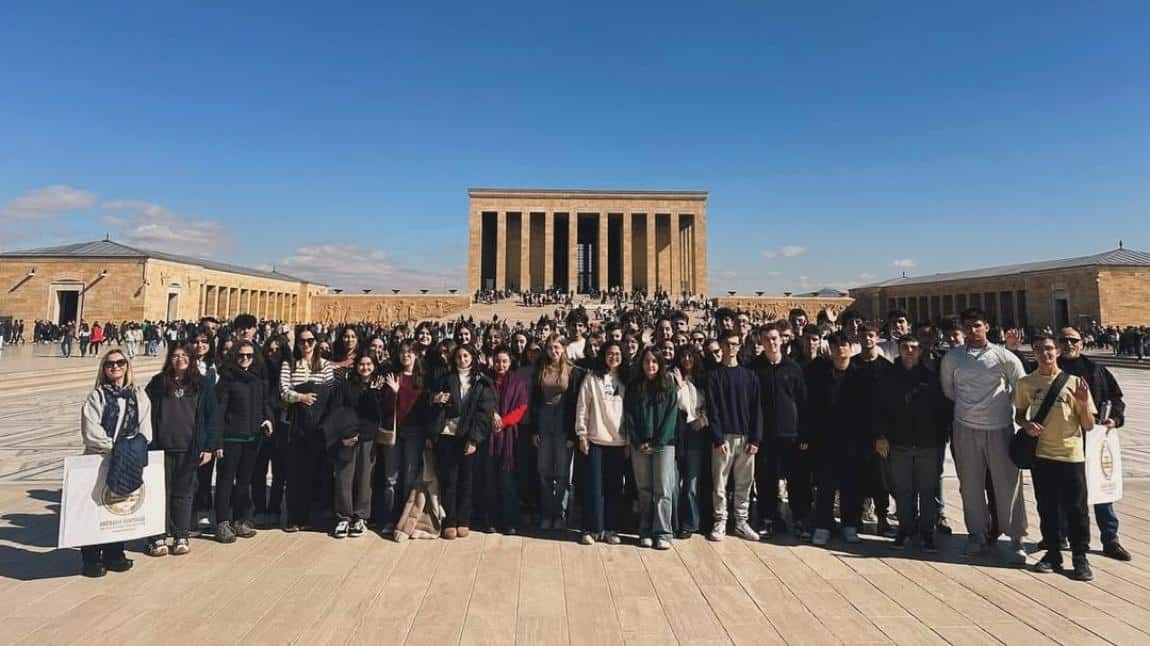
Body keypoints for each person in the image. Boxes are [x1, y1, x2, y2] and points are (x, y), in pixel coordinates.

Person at [940, 308, 1028, 564]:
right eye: (967, 327)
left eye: (977, 325)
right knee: (970, 485)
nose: (972, 331)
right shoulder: (953, 358)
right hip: (966, 428)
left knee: (1008, 485)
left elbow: (1019, 387)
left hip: (999, 428)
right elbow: (949, 390)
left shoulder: (1004, 356)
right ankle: (977, 535)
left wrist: (1001, 407)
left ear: (987, 327)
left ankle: (1015, 538)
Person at [1015, 333, 1096, 581]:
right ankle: (1052, 552)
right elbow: (1019, 414)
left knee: (1077, 508)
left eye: (1049, 349)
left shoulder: (1075, 383)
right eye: (1039, 349)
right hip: (1042, 454)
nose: (1044, 354)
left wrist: (1082, 404)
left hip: (1071, 454)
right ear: (1034, 353)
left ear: (1057, 351)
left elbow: (1089, 425)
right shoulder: (1026, 383)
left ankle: (1080, 555)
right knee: (1047, 506)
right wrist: (1026, 424)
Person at [1053, 326, 1130, 561]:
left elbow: (1116, 398)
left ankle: (1110, 539)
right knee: (1063, 491)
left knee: (1101, 489)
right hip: (1062, 440)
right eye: (1063, 340)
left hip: (1093, 439)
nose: (1068, 344)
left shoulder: (1096, 371)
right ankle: (1061, 535)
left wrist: (1114, 418)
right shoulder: (1049, 370)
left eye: (1073, 340)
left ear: (1081, 343)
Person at [79, 349, 153, 577]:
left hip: (128, 456)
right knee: (94, 507)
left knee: (120, 505)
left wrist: (131, 447)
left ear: (127, 367)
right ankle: (91, 558)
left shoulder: (139, 395)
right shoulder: (97, 396)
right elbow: (90, 429)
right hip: (99, 456)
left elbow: (145, 428)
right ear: (103, 368)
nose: (115, 367)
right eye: (110, 364)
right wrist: (114, 446)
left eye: (120, 363)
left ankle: (114, 553)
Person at [144, 343, 219, 557]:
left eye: (185, 355)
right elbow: (146, 411)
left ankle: (181, 534)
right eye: (175, 355)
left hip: (189, 447)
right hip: (161, 447)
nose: (180, 359)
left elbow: (212, 416)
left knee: (184, 493)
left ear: (192, 358)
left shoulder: (202, 384)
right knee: (160, 493)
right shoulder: (158, 383)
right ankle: (157, 536)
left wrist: (209, 446)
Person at [876, 336, 950, 551]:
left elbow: (942, 409)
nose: (910, 351)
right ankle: (905, 529)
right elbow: (879, 409)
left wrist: (941, 436)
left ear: (919, 351)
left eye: (914, 348)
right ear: (899, 350)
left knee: (928, 490)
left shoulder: (930, 377)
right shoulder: (888, 376)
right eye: (905, 347)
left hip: (928, 443)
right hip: (900, 442)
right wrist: (881, 435)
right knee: (903, 490)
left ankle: (927, 533)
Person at [803, 332, 871, 546]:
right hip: (826, 439)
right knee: (825, 486)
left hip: (852, 440)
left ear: (850, 348)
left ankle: (850, 524)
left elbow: (870, 409)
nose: (840, 349)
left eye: (844, 345)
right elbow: (810, 407)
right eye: (836, 346)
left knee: (851, 484)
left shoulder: (861, 375)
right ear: (830, 349)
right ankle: (823, 525)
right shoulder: (820, 374)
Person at [429, 344, 495, 539]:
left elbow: (484, 413)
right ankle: (449, 520)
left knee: (467, 479)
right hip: (447, 435)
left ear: (473, 358)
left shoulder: (481, 382)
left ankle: (464, 520)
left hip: (468, 437)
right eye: (459, 356)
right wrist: (435, 399)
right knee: (449, 479)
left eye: (466, 356)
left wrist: (474, 439)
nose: (462, 359)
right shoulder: (444, 378)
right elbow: (429, 399)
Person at [704, 330, 762, 542]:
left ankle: (741, 521)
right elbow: (713, 409)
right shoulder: (715, 376)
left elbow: (757, 409)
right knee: (720, 483)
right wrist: (718, 439)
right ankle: (720, 520)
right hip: (723, 439)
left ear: (739, 346)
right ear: (721, 346)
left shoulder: (750, 376)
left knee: (744, 483)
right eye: (727, 344)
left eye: (735, 344)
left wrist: (755, 439)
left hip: (746, 437)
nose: (731, 348)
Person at [214, 340, 274, 543]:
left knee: (243, 482)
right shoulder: (227, 379)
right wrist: (217, 441)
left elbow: (264, 404)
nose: (245, 359)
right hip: (231, 438)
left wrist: (268, 419)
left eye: (249, 355)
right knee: (225, 481)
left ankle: (240, 519)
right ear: (234, 356)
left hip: (252, 438)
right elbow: (219, 412)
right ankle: (222, 521)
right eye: (241, 355)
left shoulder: (258, 380)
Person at [753, 326, 808, 539]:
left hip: (791, 434)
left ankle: (800, 519)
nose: (772, 343)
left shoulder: (793, 368)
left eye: (775, 339)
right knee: (766, 478)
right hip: (765, 435)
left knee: (797, 479)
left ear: (781, 341)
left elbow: (802, 402)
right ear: (762, 342)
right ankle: (768, 518)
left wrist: (804, 434)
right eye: (767, 339)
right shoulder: (755, 369)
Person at [280, 326, 335, 531]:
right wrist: (301, 397)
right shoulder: (290, 364)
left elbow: (330, 393)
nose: (306, 344)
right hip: (298, 423)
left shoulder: (325, 365)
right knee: (295, 472)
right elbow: (283, 391)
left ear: (316, 342)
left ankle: (313, 517)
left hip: (319, 423)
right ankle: (295, 517)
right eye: (302, 341)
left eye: (310, 340)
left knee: (317, 471)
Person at [625, 347, 679, 549]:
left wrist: (657, 442)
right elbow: (629, 416)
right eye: (647, 361)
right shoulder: (634, 387)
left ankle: (663, 532)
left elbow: (671, 416)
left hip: (664, 445)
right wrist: (639, 441)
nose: (650, 365)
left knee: (663, 489)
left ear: (660, 364)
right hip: (640, 444)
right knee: (645, 489)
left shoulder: (668, 385)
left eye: (654, 362)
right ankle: (645, 530)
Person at [575, 340, 628, 545]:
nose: (613, 357)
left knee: (614, 488)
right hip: (595, 438)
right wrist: (582, 434)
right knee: (594, 486)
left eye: (617, 354)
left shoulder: (626, 379)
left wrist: (629, 441)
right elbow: (582, 407)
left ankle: (610, 528)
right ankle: (592, 528)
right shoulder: (592, 378)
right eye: (610, 353)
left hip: (618, 440)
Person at [325, 354, 383, 538]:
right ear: (356, 366)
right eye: (362, 364)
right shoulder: (345, 386)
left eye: (369, 364)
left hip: (368, 436)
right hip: (348, 437)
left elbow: (379, 413)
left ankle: (361, 517)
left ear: (373, 366)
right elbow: (336, 410)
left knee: (365, 478)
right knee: (344, 477)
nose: (365, 367)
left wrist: (374, 392)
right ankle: (344, 516)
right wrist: (341, 435)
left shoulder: (379, 386)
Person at [530, 334, 584, 531]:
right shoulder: (540, 370)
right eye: (550, 348)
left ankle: (559, 513)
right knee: (544, 471)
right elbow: (534, 400)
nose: (554, 352)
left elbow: (575, 402)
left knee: (562, 473)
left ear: (563, 349)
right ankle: (547, 512)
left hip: (563, 424)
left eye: (557, 348)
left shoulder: (572, 371)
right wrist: (534, 429)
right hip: (544, 422)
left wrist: (573, 434)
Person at [376, 340, 428, 534]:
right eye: (402, 352)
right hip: (395, 432)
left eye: (409, 352)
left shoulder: (422, 378)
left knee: (409, 478)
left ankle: (404, 519)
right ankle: (389, 519)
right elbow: (388, 408)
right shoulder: (393, 376)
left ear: (416, 354)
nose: (405, 355)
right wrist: (393, 393)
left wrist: (400, 392)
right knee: (391, 478)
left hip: (415, 432)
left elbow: (419, 408)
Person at [479, 346, 528, 534]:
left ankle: (509, 520)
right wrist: (492, 415)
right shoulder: (485, 381)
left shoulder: (517, 382)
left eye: (505, 361)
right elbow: (480, 403)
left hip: (508, 435)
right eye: (498, 361)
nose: (501, 365)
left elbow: (522, 407)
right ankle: (490, 519)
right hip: (489, 435)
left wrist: (504, 421)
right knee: (490, 478)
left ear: (510, 362)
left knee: (508, 479)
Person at [672, 345, 709, 539]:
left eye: (690, 355)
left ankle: (691, 523)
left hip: (697, 432)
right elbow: (682, 405)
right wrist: (681, 386)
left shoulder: (703, 380)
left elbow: (708, 406)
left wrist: (702, 421)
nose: (687, 359)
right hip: (678, 431)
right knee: (674, 482)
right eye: (683, 356)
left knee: (692, 482)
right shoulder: (674, 377)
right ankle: (675, 522)